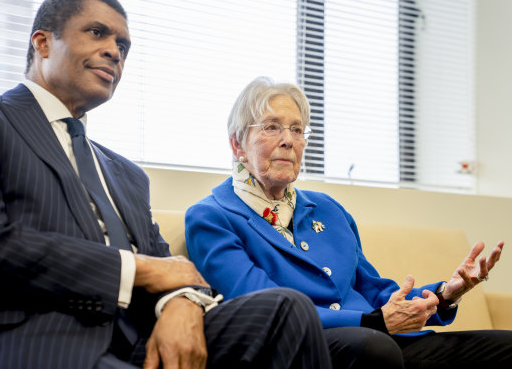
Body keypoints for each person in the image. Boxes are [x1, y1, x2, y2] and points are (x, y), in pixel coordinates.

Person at [0, 0, 333, 369]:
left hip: (138, 337)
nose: (114, 52)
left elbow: (172, 267)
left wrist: (182, 303)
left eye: (123, 46)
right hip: (31, 338)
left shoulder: (124, 173)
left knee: (286, 310)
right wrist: (139, 271)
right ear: (42, 43)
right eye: (97, 33)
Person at [185, 76, 512, 369]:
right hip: (304, 348)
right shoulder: (212, 217)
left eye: (297, 130)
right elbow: (269, 308)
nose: (288, 140)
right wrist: (374, 322)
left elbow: (374, 290)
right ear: (237, 144)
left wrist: (444, 294)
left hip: (376, 338)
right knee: (376, 348)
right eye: (272, 127)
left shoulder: (328, 209)